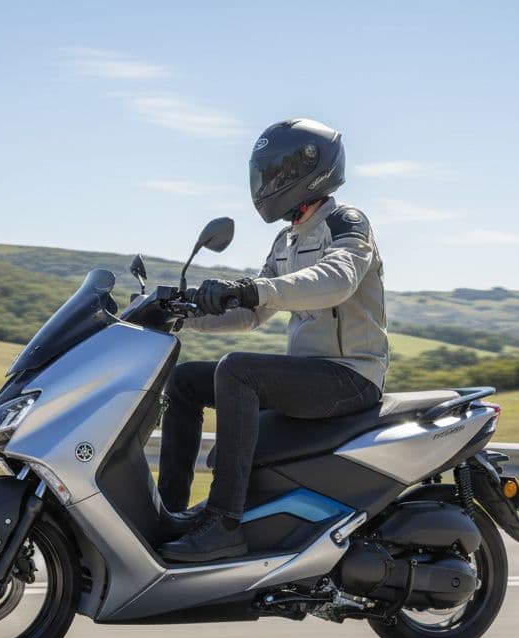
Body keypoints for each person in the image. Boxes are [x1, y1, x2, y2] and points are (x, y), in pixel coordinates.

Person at [158, 118, 390, 562]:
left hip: (350, 376)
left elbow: (337, 279)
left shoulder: (347, 223)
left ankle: (223, 524)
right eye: (262, 173)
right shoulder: (286, 240)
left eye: (273, 173)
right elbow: (253, 311)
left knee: (238, 370)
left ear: (306, 171)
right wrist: (182, 313)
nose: (265, 183)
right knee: (186, 381)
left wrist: (255, 288)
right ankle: (170, 511)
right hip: (308, 377)